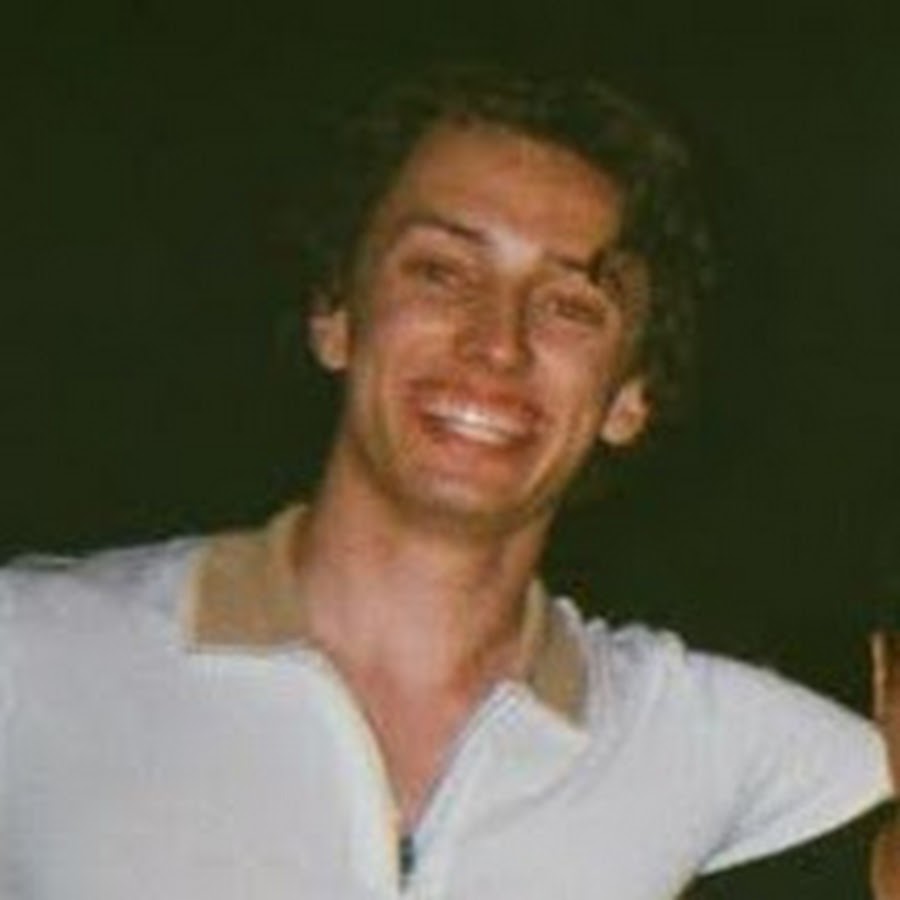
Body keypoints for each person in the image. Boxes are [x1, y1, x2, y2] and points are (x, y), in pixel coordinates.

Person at [0, 64, 896, 899]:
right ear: (335, 314)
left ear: (630, 397)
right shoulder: (36, 654)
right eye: (441, 271)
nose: (497, 342)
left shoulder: (701, 737)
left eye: (570, 304)